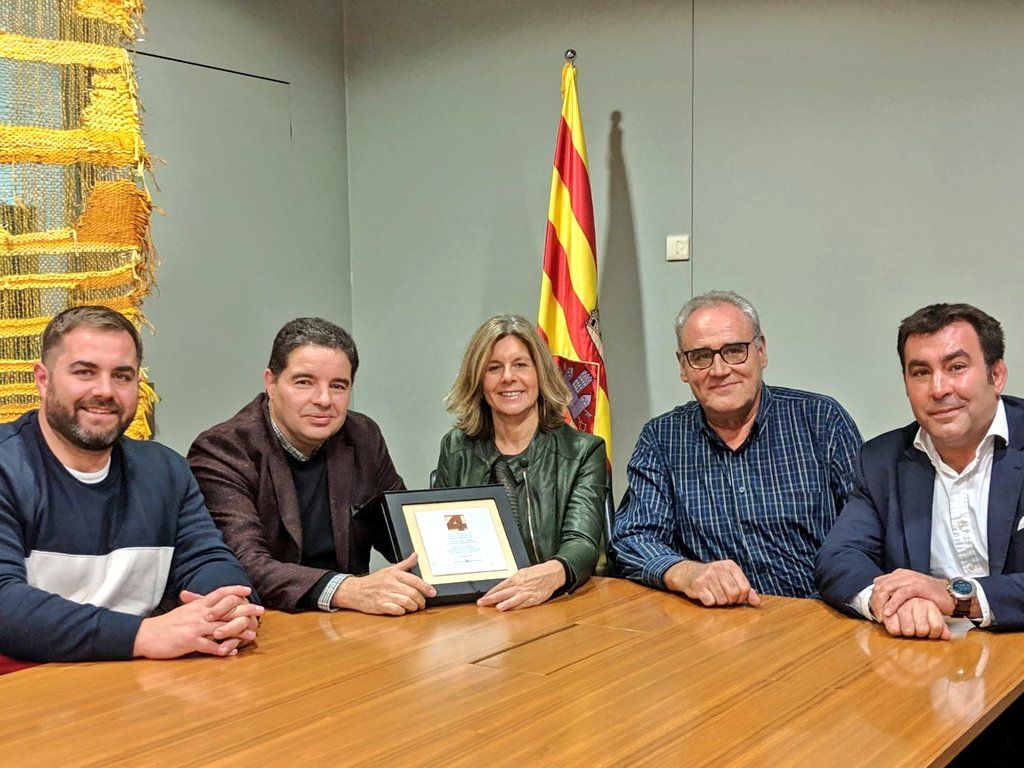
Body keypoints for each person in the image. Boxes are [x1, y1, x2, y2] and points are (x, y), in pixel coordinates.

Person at [0, 306, 261, 663]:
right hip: (25, 692)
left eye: (122, 376)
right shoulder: (8, 467)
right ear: (43, 380)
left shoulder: (165, 470)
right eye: (84, 372)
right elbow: (4, 604)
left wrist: (229, 607)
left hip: (139, 685)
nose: (104, 391)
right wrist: (143, 635)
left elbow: (205, 559)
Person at [612, 290, 862, 605]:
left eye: (734, 351)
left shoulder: (822, 421)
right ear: (683, 366)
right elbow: (633, 536)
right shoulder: (662, 438)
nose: (719, 370)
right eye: (701, 356)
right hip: (717, 625)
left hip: (820, 614)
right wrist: (687, 573)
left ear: (761, 351)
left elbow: (868, 534)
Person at [189, 318, 435, 616]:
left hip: (352, 625)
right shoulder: (223, 449)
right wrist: (346, 589)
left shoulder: (363, 436)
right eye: (304, 382)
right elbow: (243, 563)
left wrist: (477, 572)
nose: (323, 400)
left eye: (338, 386)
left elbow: (404, 535)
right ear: (271, 382)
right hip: (271, 626)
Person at [816, 303, 1024, 638]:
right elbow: (840, 556)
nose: (938, 389)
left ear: (996, 374)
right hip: (925, 657)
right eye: (921, 373)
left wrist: (954, 597)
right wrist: (890, 601)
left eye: (956, 367)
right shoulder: (881, 460)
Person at [434, 314, 607, 610]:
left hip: (557, 604)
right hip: (477, 608)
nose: (508, 378)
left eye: (521, 365)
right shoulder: (455, 447)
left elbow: (582, 543)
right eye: (493, 368)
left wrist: (551, 575)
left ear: (540, 374)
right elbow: (443, 541)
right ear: (478, 380)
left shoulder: (583, 451)